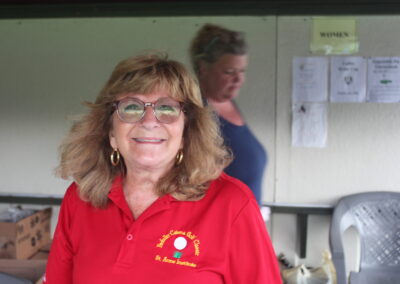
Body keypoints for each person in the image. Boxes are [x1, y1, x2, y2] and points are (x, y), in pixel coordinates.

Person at [43, 53, 282, 284]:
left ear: (187, 132)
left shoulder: (231, 204)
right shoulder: (81, 197)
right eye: (131, 108)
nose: (148, 121)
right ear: (111, 132)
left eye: (167, 108)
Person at [190, 24, 267, 205]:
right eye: (229, 72)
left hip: (246, 222)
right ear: (203, 68)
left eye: (242, 71)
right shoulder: (194, 112)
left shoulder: (228, 103)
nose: (239, 79)